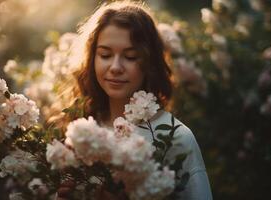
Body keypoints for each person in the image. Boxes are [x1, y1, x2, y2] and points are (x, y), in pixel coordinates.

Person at [55, 1, 212, 199]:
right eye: (105, 54)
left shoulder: (175, 138)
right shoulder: (80, 133)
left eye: (130, 57)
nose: (115, 66)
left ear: (149, 62)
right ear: (92, 58)